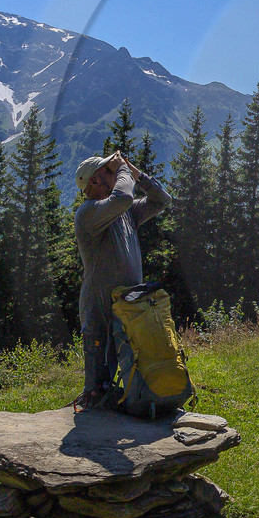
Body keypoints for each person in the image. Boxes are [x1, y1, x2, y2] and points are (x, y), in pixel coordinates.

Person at [73, 150, 171, 409]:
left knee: (136, 368)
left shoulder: (124, 212)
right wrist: (123, 171)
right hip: (100, 308)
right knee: (98, 386)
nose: (115, 173)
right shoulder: (88, 213)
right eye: (108, 171)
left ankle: (138, 403)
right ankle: (95, 416)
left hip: (130, 307)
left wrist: (135, 173)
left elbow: (162, 200)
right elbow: (124, 197)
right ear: (95, 181)